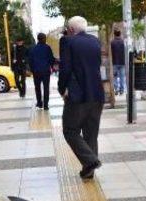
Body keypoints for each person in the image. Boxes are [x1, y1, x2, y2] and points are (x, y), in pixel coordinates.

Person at [58, 16, 104, 180]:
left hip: (78, 94)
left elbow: (65, 69)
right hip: (97, 92)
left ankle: (90, 161)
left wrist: (61, 88)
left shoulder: (68, 42)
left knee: (70, 130)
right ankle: (89, 169)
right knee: (91, 132)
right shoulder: (95, 41)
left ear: (70, 29)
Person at [28, 33, 55, 110]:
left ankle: (39, 103)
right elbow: (51, 59)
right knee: (46, 88)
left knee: (37, 88)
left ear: (38, 39)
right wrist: (52, 66)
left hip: (36, 71)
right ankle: (46, 105)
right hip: (45, 71)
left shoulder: (32, 48)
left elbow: (30, 60)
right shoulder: (47, 48)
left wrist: (32, 70)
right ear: (44, 39)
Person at [110, 29, 126, 96]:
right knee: (122, 77)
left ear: (114, 34)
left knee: (115, 77)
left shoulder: (112, 42)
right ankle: (121, 90)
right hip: (122, 62)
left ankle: (116, 90)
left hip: (114, 62)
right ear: (120, 34)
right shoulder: (123, 42)